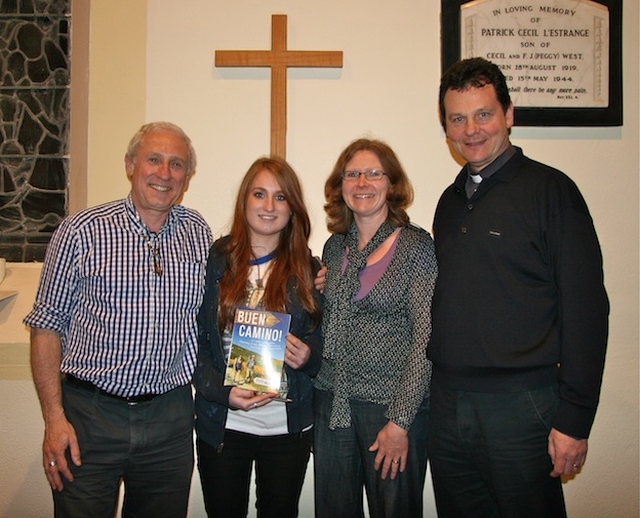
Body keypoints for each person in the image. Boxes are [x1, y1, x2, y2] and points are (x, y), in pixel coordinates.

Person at [428, 57, 609, 517]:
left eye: (483, 114)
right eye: (457, 118)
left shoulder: (552, 192)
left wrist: (574, 418)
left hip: (521, 407)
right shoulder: (448, 203)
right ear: (446, 127)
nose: (471, 129)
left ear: (509, 115)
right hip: (447, 405)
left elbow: (587, 312)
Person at [24, 122, 213, 518]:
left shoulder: (198, 233)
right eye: (154, 160)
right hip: (90, 416)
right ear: (130, 165)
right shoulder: (81, 231)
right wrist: (54, 419)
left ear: (188, 177)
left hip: (170, 417)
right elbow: (46, 327)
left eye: (176, 164)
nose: (164, 173)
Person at [313, 138, 437, 518]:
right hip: (332, 401)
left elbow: (425, 337)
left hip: (391, 407)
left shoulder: (417, 246)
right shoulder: (335, 247)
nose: (362, 182)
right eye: (352, 174)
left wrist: (400, 422)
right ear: (341, 185)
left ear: (392, 184)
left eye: (373, 173)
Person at [193, 156, 323, 518]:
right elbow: (195, 343)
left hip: (287, 428)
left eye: (280, 197)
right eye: (259, 194)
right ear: (244, 201)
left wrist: (308, 357)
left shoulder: (308, 269)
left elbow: (323, 340)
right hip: (223, 424)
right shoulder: (215, 262)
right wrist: (223, 393)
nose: (269, 206)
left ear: (292, 207)